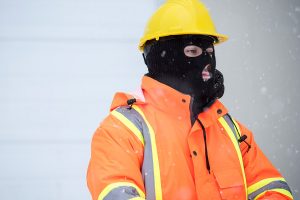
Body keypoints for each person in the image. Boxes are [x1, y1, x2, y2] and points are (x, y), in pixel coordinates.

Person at [87, 0, 294, 199]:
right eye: (192, 51)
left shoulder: (227, 127)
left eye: (209, 52)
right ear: (161, 57)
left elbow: (274, 189)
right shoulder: (122, 130)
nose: (206, 61)